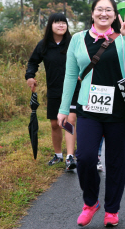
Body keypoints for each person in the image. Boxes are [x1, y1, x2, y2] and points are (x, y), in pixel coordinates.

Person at [57, 0, 125, 227]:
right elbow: (69, 75)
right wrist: (64, 108)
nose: (103, 13)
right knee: (85, 157)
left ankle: (112, 209)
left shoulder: (123, 37)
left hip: (119, 110)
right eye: (99, 9)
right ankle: (90, 202)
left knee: (115, 161)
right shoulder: (77, 39)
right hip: (89, 108)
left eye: (108, 10)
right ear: (93, 13)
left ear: (115, 14)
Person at [25, 12, 77, 171]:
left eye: (63, 22)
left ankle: (70, 157)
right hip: (54, 89)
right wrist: (30, 76)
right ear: (50, 25)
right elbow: (33, 62)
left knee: (68, 122)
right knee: (55, 124)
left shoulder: (74, 42)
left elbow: (85, 59)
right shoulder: (44, 45)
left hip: (74, 88)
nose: (61, 25)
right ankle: (58, 155)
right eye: (57, 22)